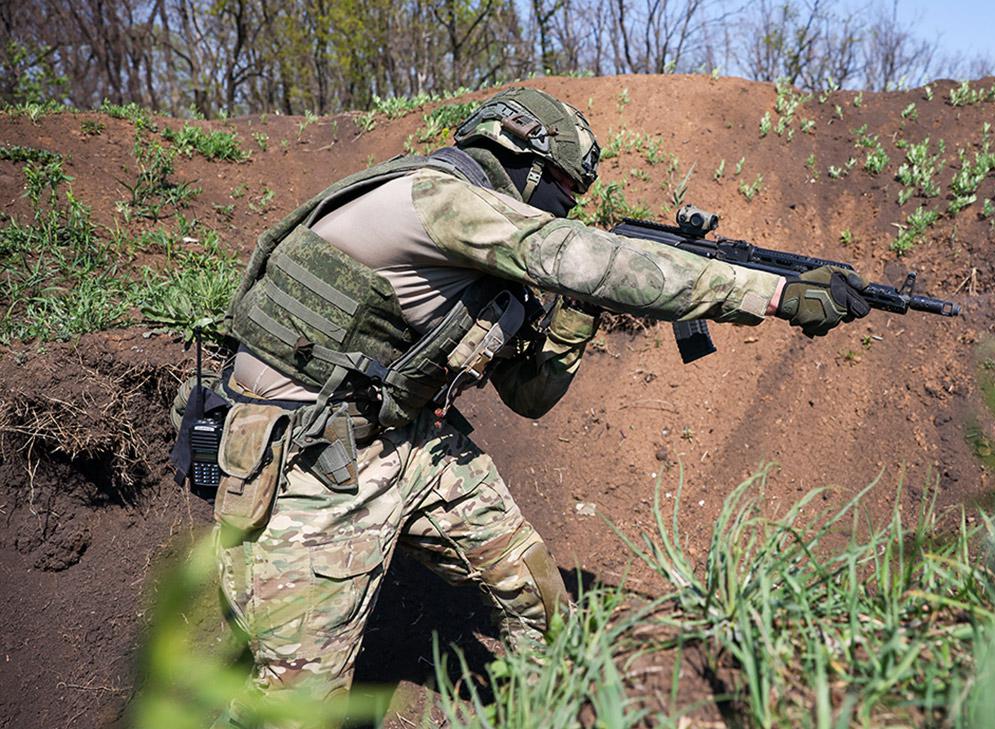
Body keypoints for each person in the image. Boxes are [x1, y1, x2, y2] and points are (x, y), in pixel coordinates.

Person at [201, 86, 868, 724]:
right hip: (308, 460)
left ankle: (551, 706)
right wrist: (771, 292)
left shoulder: (480, 260)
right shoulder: (438, 198)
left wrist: (576, 313)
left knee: (538, 598)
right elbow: (589, 257)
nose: (567, 208)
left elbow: (529, 397)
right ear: (524, 160)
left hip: (407, 441)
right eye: (565, 191)